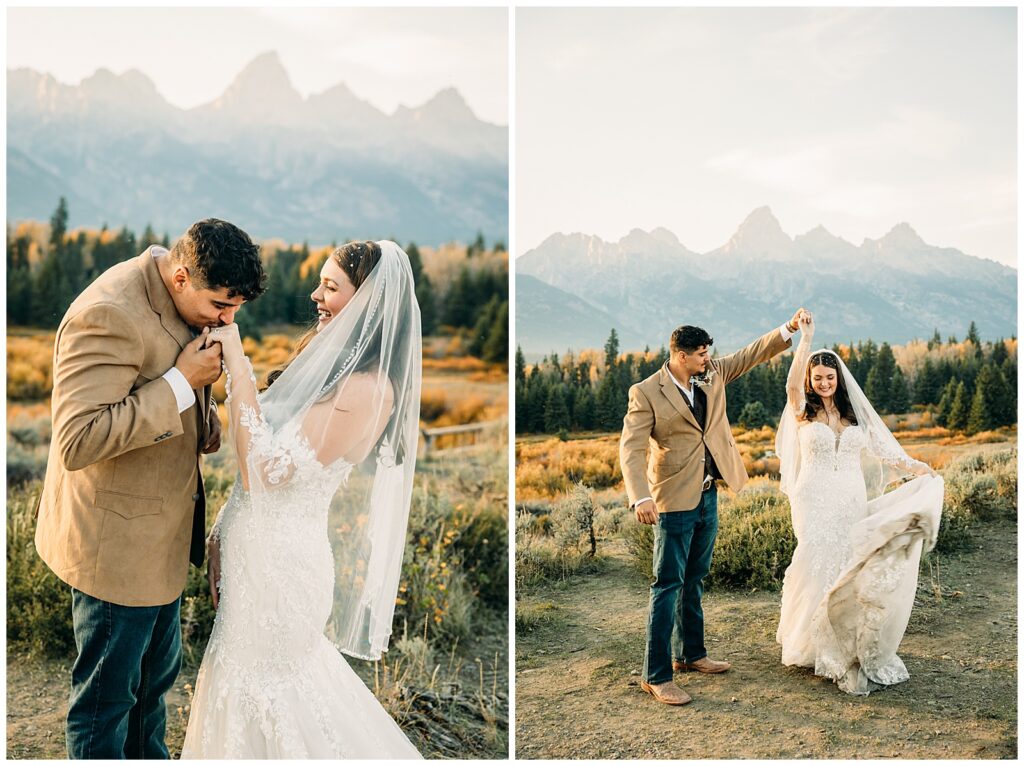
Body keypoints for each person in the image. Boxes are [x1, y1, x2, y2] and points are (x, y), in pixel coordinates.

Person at [34, 219, 267, 759]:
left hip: (162, 541)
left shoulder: (183, 298)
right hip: (114, 550)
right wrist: (183, 383)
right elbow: (78, 439)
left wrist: (202, 415)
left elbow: (160, 392)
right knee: (106, 707)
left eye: (236, 309)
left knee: (150, 699)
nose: (228, 321)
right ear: (182, 276)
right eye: (220, 306)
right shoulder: (108, 313)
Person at [181, 241, 423, 758]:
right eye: (320, 281)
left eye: (331, 286)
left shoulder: (366, 389)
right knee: (239, 681)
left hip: (283, 570)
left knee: (274, 691)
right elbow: (263, 450)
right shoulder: (327, 362)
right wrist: (225, 530)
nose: (316, 294)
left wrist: (239, 368)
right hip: (253, 560)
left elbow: (266, 473)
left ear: (367, 305)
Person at [620, 312, 803, 706]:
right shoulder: (646, 391)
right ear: (681, 356)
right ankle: (656, 675)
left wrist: (787, 329)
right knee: (667, 585)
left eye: (709, 353)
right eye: (701, 354)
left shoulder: (714, 374)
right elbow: (631, 449)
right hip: (670, 499)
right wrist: (640, 496)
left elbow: (752, 354)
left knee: (695, 577)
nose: (708, 359)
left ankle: (691, 654)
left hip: (707, 494)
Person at [775, 311, 943, 695]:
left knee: (845, 564)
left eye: (829, 378)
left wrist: (918, 468)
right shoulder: (803, 410)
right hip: (813, 495)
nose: (824, 383)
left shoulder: (853, 417)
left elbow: (887, 451)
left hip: (849, 496)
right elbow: (791, 383)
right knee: (815, 560)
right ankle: (811, 642)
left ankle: (844, 642)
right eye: (817, 378)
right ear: (810, 379)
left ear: (839, 379)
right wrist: (806, 340)